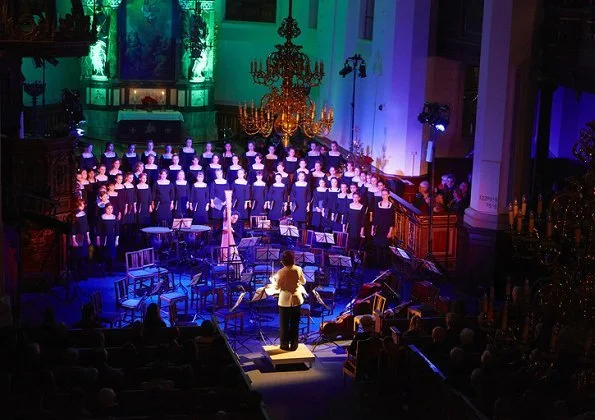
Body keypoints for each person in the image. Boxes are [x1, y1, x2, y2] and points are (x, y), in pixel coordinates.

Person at [274, 250, 306, 351]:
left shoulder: (280, 272)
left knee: (284, 324)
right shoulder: (298, 269)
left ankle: (284, 345)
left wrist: (274, 282)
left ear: (283, 261)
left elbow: (276, 287)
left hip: (284, 301)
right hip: (296, 300)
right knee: (295, 324)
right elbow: (303, 282)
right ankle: (294, 345)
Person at [371, 188, 395, 265]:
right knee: (377, 248)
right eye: (382, 194)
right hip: (378, 229)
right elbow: (375, 218)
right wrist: (372, 229)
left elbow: (392, 220)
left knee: (385, 248)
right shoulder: (378, 204)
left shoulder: (391, 206)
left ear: (388, 195)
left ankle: (384, 266)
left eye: (385, 194)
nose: (384, 196)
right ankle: (378, 265)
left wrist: (390, 232)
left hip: (386, 229)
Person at [96, 203, 119, 276]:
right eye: (108, 208)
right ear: (105, 209)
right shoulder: (102, 217)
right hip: (104, 239)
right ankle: (102, 272)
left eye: (111, 208)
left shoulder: (114, 217)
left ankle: (110, 271)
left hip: (111, 239)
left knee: (111, 256)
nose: (110, 210)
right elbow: (99, 230)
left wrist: (117, 240)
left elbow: (117, 230)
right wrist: (98, 239)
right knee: (103, 255)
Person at [71, 199, 91, 281]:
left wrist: (88, 237)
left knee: (83, 258)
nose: (84, 205)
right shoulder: (74, 215)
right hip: (78, 238)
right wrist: (74, 240)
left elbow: (86, 226)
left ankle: (83, 275)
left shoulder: (84, 214)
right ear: (79, 205)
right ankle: (76, 276)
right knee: (77, 258)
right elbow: (73, 229)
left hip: (84, 237)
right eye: (83, 204)